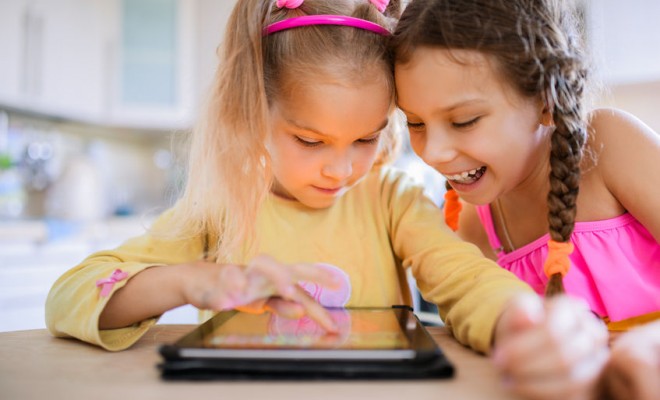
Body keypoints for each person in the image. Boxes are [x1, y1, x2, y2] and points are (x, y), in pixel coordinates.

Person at [45, 0, 546, 356]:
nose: (342, 168)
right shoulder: (221, 208)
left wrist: (527, 325)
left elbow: (466, 278)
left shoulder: (392, 200)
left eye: (366, 138)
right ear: (254, 113)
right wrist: (190, 281)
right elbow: (70, 296)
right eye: (310, 141)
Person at [390, 0, 659, 398]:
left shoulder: (609, 145)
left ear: (546, 100)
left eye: (464, 121)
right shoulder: (474, 224)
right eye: (415, 122)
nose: (434, 152)